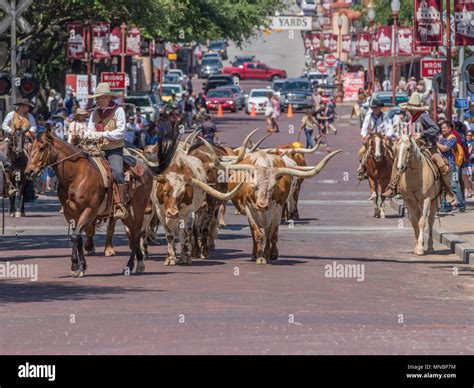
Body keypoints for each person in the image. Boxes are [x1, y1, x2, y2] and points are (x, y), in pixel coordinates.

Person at [382, 92, 455, 203]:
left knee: (442, 165)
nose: (409, 110)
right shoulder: (412, 117)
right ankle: (392, 187)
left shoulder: (424, 116)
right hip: (412, 148)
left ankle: (447, 191)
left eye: (411, 108)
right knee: (397, 161)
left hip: (427, 147)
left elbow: (435, 128)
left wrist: (422, 134)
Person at [85, 82, 128, 220]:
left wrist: (101, 134)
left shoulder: (118, 111)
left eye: (101, 97)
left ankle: (120, 204)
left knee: (117, 172)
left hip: (113, 149)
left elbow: (121, 132)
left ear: (109, 97)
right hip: (95, 148)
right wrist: (88, 134)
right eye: (97, 98)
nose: (98, 100)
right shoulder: (94, 112)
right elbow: (90, 128)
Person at [357, 100, 394, 181]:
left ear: (380, 108)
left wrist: (388, 135)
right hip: (371, 139)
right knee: (361, 152)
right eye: (373, 108)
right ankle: (363, 169)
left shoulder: (385, 116)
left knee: (394, 150)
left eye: (376, 108)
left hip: (383, 139)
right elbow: (364, 129)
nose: (375, 109)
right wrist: (364, 135)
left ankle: (395, 170)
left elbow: (390, 127)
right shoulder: (368, 117)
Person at [437, 121, 466, 213]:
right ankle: (447, 205)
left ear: (450, 129)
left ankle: (462, 204)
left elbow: (444, 148)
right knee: (444, 186)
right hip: (443, 165)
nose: (443, 130)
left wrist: (435, 142)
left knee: (453, 185)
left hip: (451, 165)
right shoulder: (443, 138)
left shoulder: (452, 138)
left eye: (444, 128)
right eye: (442, 128)